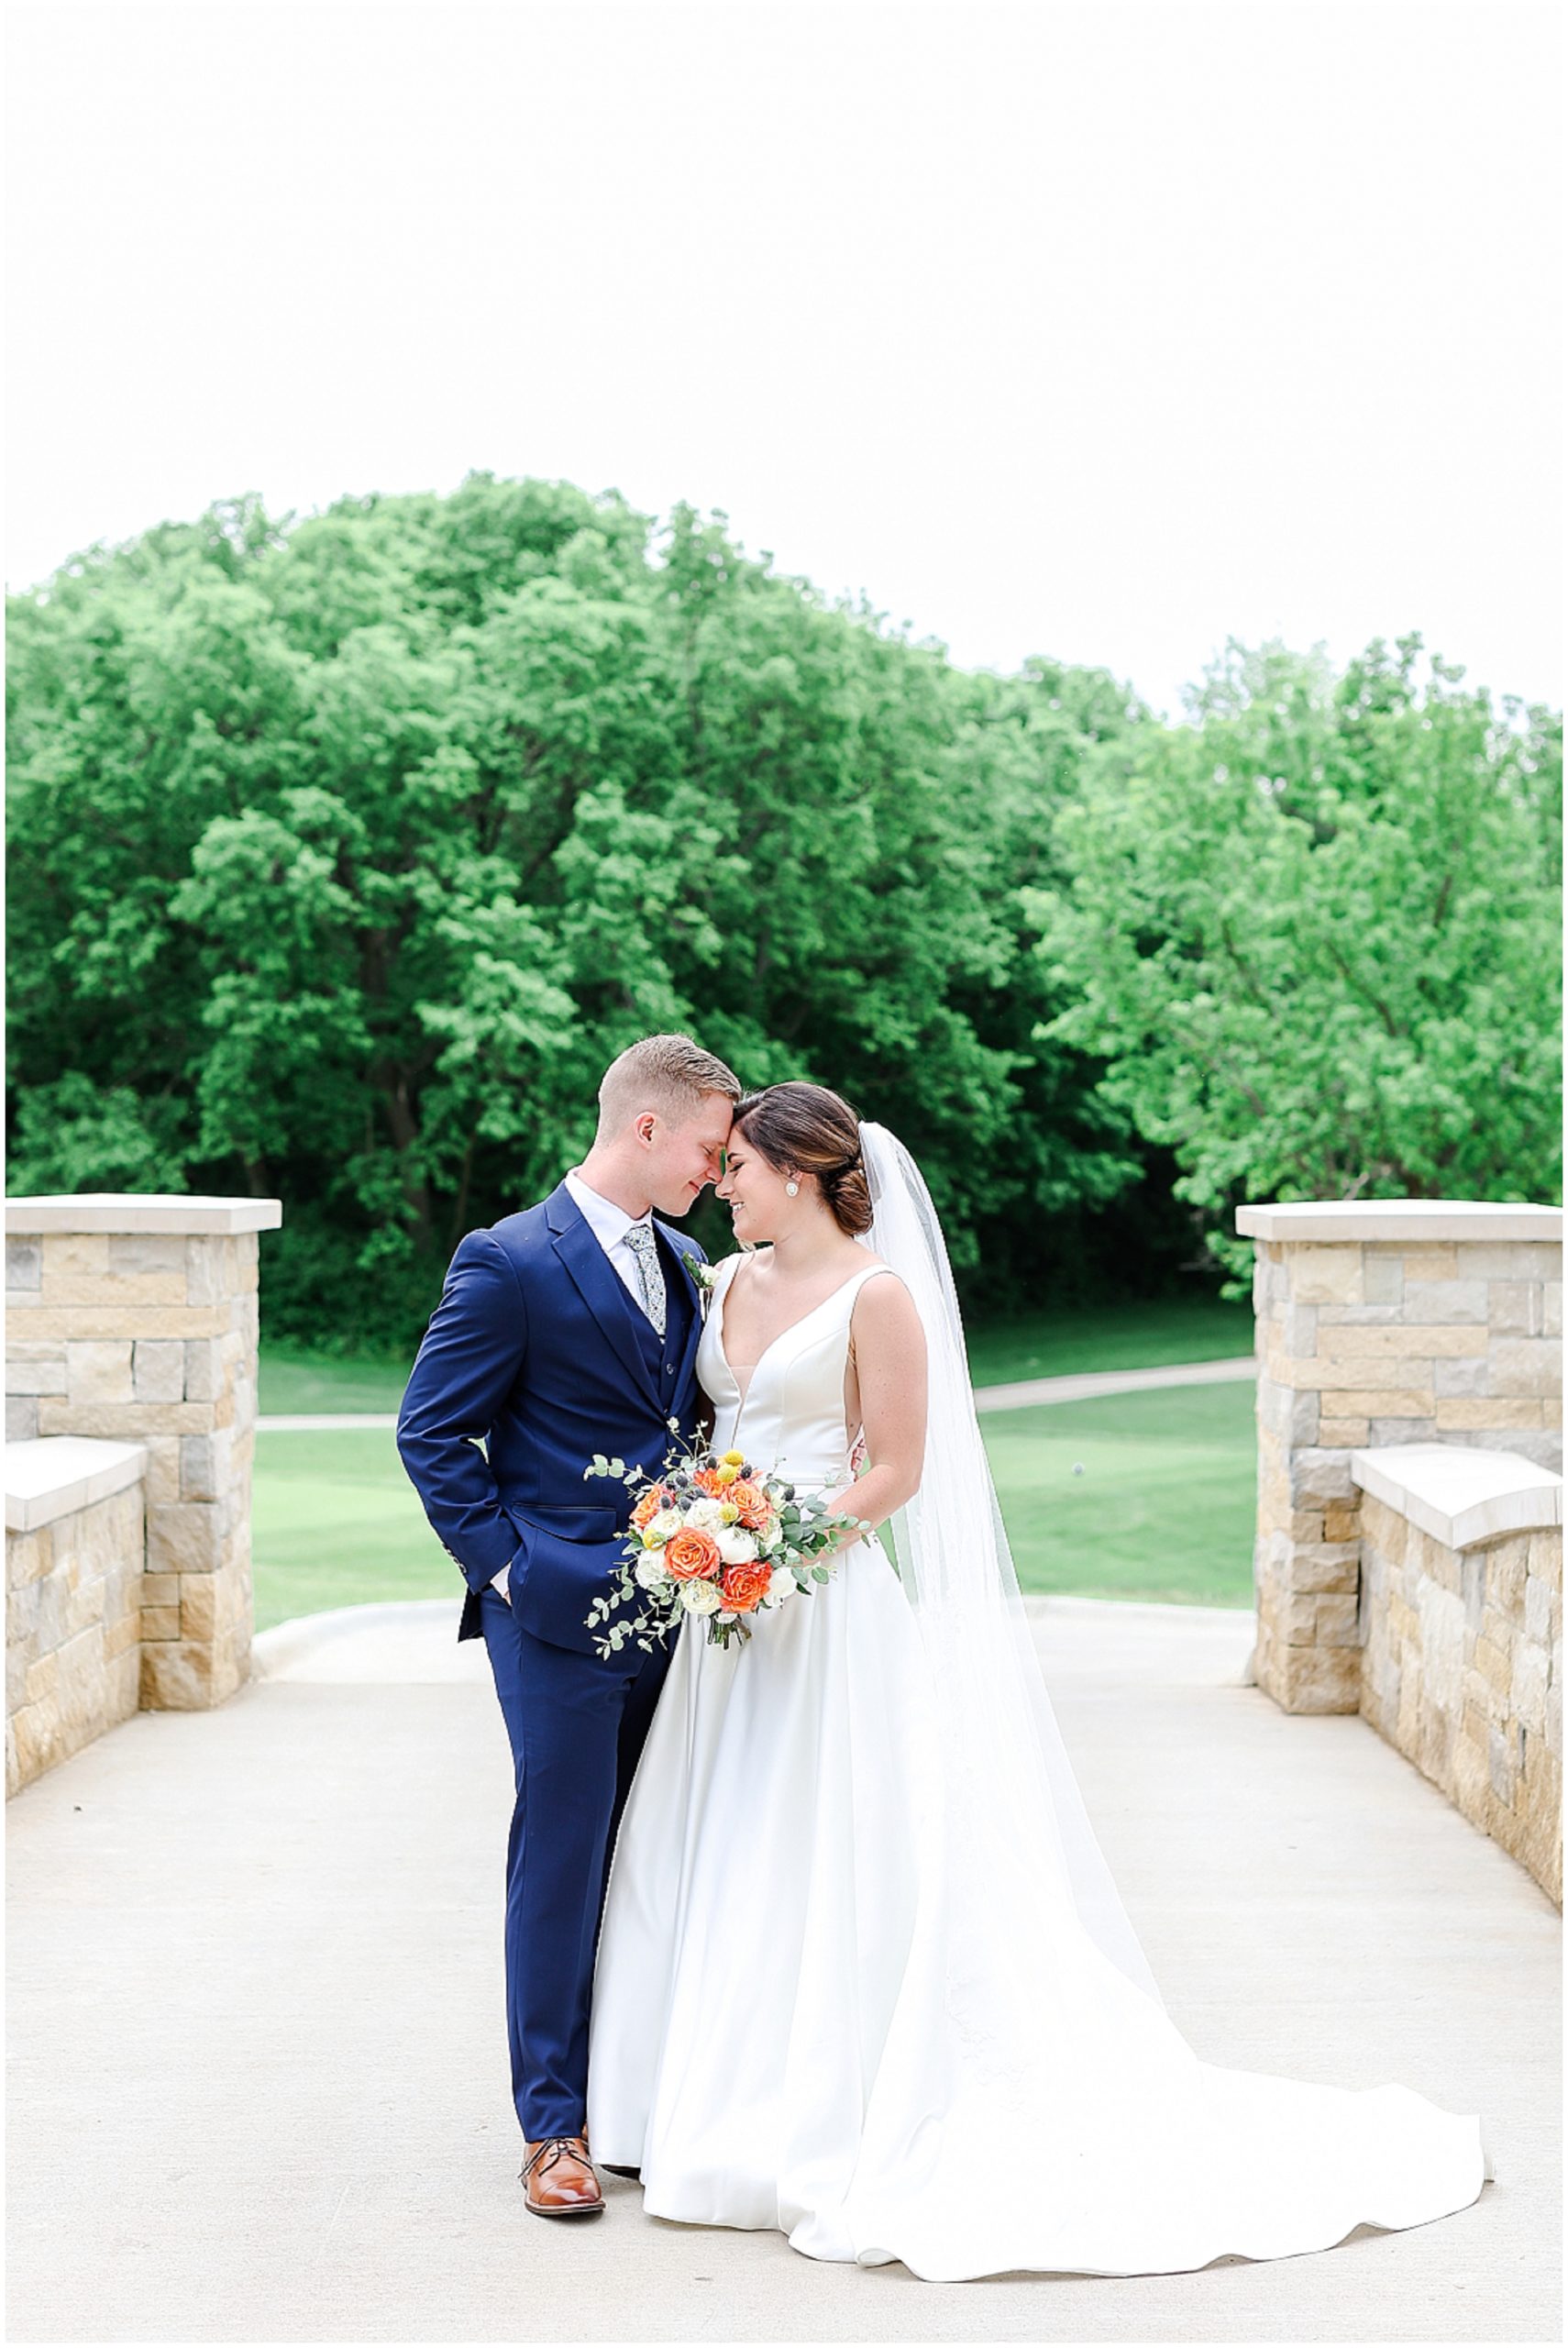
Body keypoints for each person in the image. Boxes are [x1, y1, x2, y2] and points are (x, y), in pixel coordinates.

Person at [585, 1080, 1492, 2280]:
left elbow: (896, 1471)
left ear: (796, 1175)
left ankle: (815, 2104)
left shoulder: (879, 1298)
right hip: (727, 1623)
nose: (722, 1183)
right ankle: (678, 2096)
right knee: (717, 1839)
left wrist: (782, 1548)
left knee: (833, 1847)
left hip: (823, 1610)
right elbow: (710, 1435)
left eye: (739, 1168)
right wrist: (714, 1536)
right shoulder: (723, 1282)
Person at [395, 1034, 741, 2220]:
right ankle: (553, 2128)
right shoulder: (506, 1260)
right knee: (561, 1858)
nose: (716, 1168)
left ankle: (638, 2094)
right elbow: (431, 1435)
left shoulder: (690, 1261)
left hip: (687, 1611)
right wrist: (510, 1577)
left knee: (653, 1855)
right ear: (645, 1129)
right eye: (706, 1146)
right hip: (552, 1618)